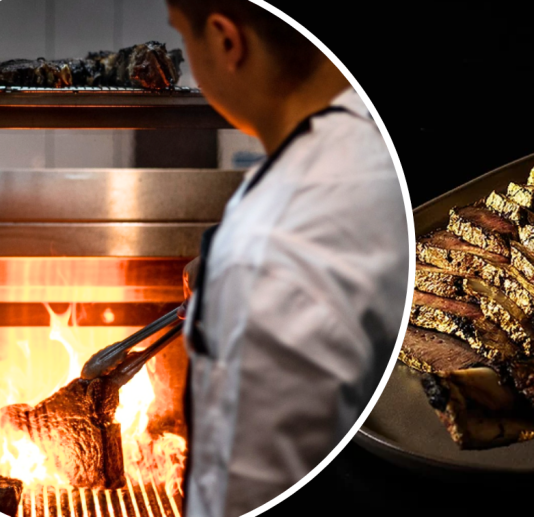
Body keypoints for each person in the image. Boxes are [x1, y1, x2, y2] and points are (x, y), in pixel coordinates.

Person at [165, 1, 410, 516]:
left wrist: (243, 275)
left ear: (226, 39)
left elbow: (246, 495)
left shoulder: (269, 254)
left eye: (183, 37)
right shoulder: (370, 136)